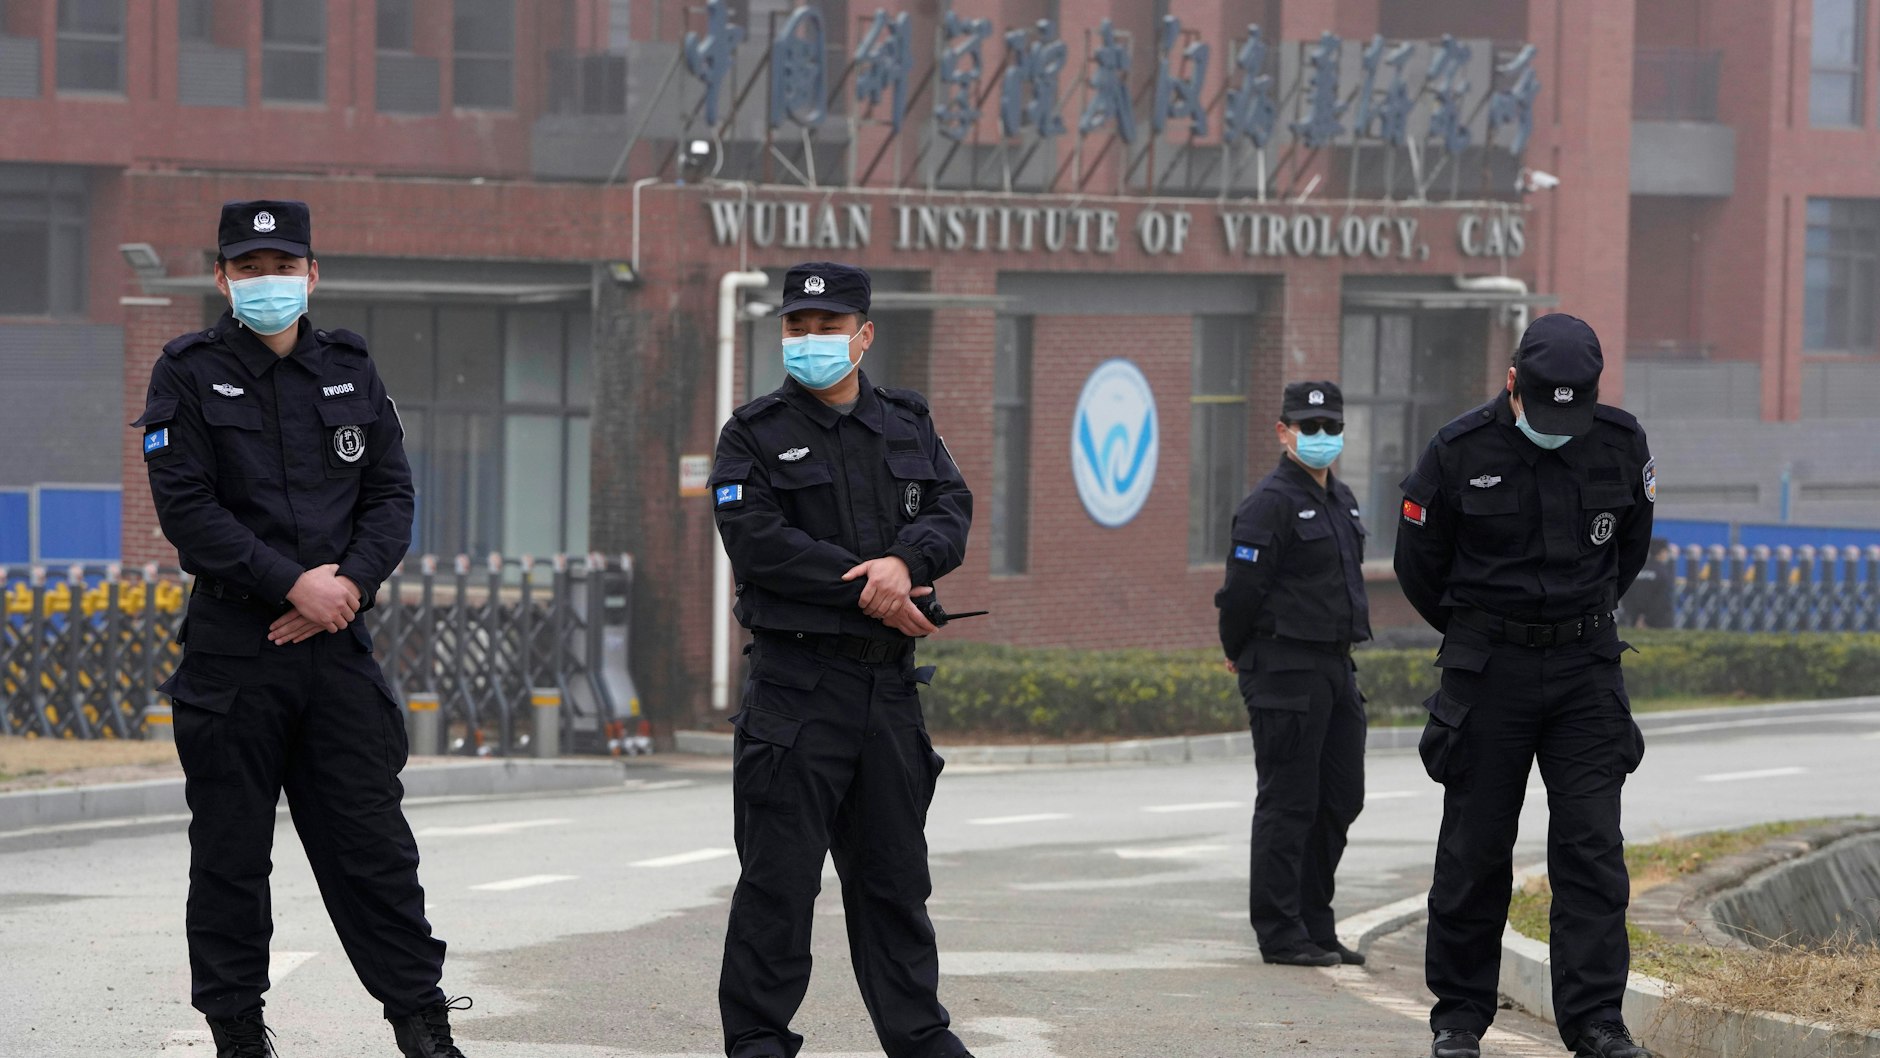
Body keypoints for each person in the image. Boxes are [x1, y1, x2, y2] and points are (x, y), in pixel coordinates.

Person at [135, 200, 469, 1058]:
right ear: (222, 278)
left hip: (337, 654)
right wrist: (292, 583)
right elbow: (189, 513)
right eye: (248, 268)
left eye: (283, 266)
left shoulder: (352, 370)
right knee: (231, 860)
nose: (267, 282)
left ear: (313, 275)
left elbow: (392, 495)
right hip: (232, 653)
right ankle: (238, 1034)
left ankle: (422, 1026)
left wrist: (346, 586)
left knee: (375, 852)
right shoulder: (185, 372)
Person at [709, 262, 975, 1058]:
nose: (811, 340)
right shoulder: (752, 434)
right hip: (797, 689)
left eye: (828, 328)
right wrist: (873, 585)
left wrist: (906, 562)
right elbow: (757, 544)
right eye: (797, 327)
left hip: (888, 694)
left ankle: (921, 1040)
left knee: (895, 882)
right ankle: (758, 1042)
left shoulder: (908, 422)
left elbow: (952, 509)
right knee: (777, 885)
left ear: (863, 336)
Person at [1393, 314, 1656, 1058]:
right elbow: (1419, 565)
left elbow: (1628, 550)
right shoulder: (1457, 450)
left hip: (1584, 671)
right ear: (1513, 383)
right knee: (1474, 851)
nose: (1558, 426)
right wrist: (1483, 629)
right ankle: (1459, 1018)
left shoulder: (1620, 443)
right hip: (1490, 672)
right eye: (1544, 408)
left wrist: (1575, 619)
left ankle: (1597, 1022)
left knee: (1592, 849)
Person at [1215, 380, 1371, 968]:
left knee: (1340, 798)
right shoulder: (1270, 502)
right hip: (1283, 667)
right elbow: (1241, 592)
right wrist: (1238, 649)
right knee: (1289, 802)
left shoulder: (1342, 499)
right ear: (1283, 432)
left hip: (1334, 665)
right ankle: (1281, 932)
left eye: (1332, 427)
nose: (1323, 437)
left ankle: (1315, 923)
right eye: (1311, 428)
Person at [1621, 538, 1677, 628]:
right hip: (1657, 623)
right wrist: (1646, 620)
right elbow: (1662, 600)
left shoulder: (1636, 570)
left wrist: (1636, 618)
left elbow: (1626, 596)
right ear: (1662, 552)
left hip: (1634, 621)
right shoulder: (1662, 573)